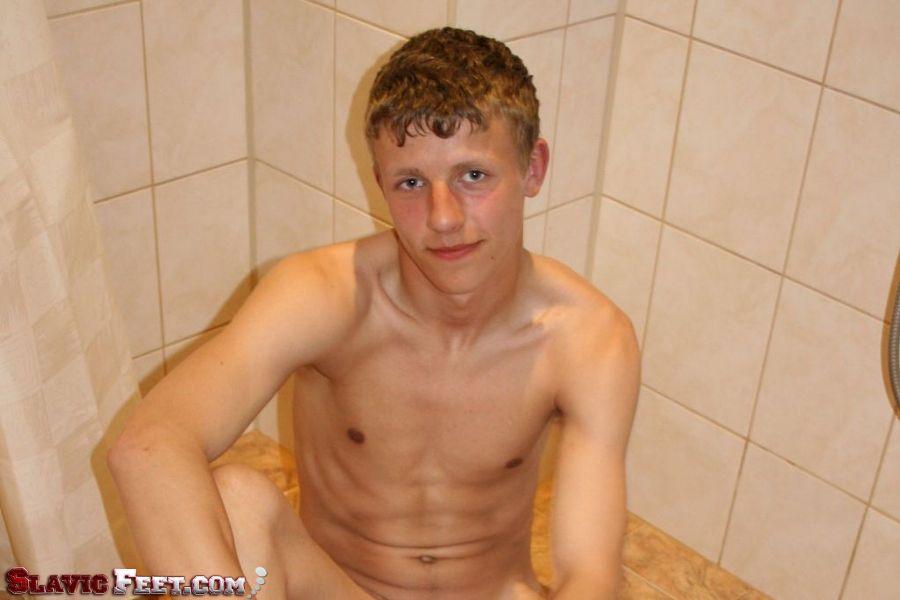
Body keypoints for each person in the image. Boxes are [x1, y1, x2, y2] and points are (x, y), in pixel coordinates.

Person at [107, 27, 640, 600]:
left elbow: (591, 574)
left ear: (532, 168)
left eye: (473, 176)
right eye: (411, 182)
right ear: (380, 183)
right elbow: (148, 446)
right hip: (341, 591)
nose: (443, 217)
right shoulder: (324, 296)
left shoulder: (587, 337)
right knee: (237, 503)